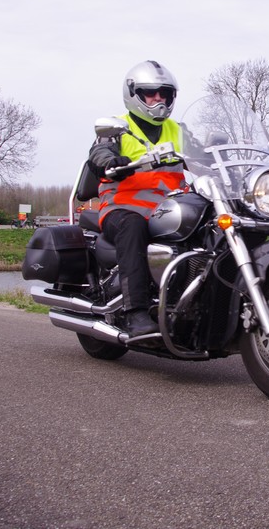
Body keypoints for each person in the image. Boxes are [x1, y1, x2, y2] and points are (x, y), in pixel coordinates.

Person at [87, 60, 185, 335]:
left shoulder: (179, 130)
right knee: (133, 226)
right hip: (123, 209)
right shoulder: (117, 127)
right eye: (150, 93)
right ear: (134, 94)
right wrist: (110, 162)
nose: (158, 99)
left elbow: (205, 155)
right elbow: (98, 153)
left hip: (168, 211)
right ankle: (136, 313)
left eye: (165, 94)